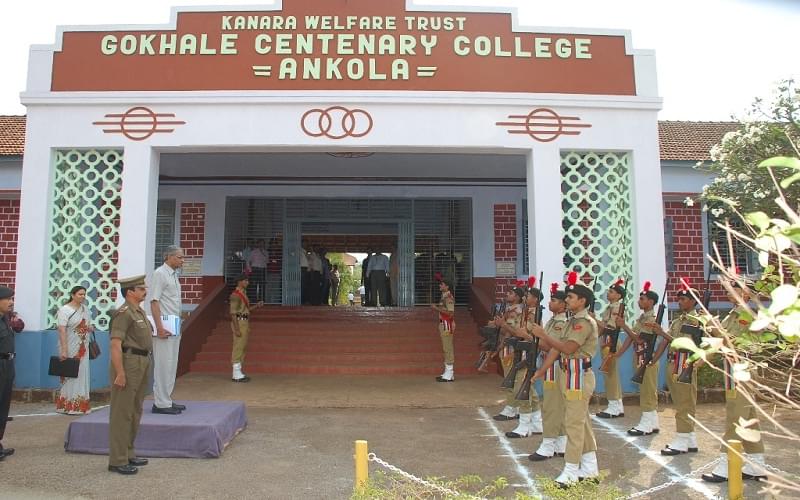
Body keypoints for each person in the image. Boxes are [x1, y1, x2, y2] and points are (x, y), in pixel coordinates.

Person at [531, 272, 599, 486]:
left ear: (582, 301)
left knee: (573, 424)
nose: (567, 300)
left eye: (570, 297)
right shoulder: (572, 321)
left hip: (578, 376)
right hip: (569, 374)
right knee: (582, 422)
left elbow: (568, 347)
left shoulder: (583, 323)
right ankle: (589, 467)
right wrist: (541, 371)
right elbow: (556, 350)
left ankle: (571, 469)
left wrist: (543, 335)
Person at [701, 281, 768, 483]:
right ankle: (757, 463)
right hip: (734, 369)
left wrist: (714, 329)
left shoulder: (746, 315)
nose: (729, 292)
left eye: (735, 288)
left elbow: (735, 343)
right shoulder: (733, 314)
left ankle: (727, 464)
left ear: (746, 293)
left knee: (735, 417)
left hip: (743, 370)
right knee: (747, 417)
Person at [108, 275, 153, 475]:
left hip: (142, 362)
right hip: (129, 362)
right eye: (141, 288)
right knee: (122, 412)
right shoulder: (123, 313)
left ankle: (128, 453)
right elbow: (115, 344)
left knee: (135, 410)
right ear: (130, 292)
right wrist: (120, 372)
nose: (145, 291)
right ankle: (117, 460)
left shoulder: (139, 312)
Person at [652, 279, 701, 456]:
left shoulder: (695, 320)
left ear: (693, 301)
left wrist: (661, 332)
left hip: (685, 363)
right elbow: (666, 342)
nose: (680, 302)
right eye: (679, 299)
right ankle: (690, 438)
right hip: (674, 363)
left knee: (685, 403)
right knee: (680, 401)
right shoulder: (678, 321)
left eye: (684, 299)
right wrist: (654, 358)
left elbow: (684, 343)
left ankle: (682, 439)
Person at [496, 278, 544, 438]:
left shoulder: (533, 314)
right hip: (522, 350)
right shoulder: (527, 312)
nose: (525, 297)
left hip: (526, 352)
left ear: (535, 300)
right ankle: (537, 422)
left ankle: (524, 425)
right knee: (529, 388)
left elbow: (521, 333)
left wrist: (503, 325)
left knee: (521, 387)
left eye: (529, 295)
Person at [615, 281, 662, 436]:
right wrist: (618, 354)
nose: (639, 301)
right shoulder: (642, 318)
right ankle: (652, 422)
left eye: (642, 299)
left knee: (648, 392)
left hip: (647, 359)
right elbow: (631, 338)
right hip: (640, 357)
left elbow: (639, 339)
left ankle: (646, 423)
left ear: (651, 302)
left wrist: (623, 326)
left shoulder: (651, 319)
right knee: (646, 390)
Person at [529, 282, 569, 461]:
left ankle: (548, 444)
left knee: (552, 406)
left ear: (563, 305)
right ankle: (560, 442)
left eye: (554, 300)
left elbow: (552, 347)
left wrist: (536, 335)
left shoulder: (561, 323)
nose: (550, 303)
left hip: (555, 366)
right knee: (556, 405)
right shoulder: (553, 320)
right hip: (551, 364)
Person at [150, 245, 185, 415]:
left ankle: (167, 399)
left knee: (172, 364)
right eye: (179, 257)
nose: (182, 260)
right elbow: (154, 302)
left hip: (175, 324)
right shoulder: (160, 274)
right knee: (163, 364)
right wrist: (159, 327)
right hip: (164, 326)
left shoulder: (174, 275)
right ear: (169, 257)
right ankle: (161, 402)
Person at [55, 285, 94, 415]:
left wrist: (90, 328)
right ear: (72, 295)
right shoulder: (64, 310)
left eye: (84, 294)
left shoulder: (86, 309)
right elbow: (61, 330)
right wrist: (64, 350)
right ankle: (68, 405)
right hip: (69, 346)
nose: (82, 297)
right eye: (80, 294)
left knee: (81, 374)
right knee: (70, 373)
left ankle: (80, 405)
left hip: (83, 346)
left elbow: (88, 324)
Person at [492, 284, 525, 421]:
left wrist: (502, 325)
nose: (507, 295)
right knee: (510, 377)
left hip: (512, 348)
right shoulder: (509, 310)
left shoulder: (517, 312)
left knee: (510, 378)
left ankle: (511, 408)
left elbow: (515, 332)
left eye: (510, 293)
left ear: (517, 297)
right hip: (506, 346)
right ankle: (515, 407)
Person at [595, 279, 626, 419]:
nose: (609, 293)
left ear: (619, 295)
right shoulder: (609, 308)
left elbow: (610, 327)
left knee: (611, 374)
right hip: (606, 341)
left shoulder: (616, 308)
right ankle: (616, 404)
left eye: (612, 292)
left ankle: (615, 405)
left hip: (611, 342)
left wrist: (594, 319)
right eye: (609, 291)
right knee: (609, 374)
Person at [230, 274, 262, 382]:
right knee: (238, 347)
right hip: (239, 322)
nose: (247, 283)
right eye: (245, 281)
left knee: (242, 346)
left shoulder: (243, 294)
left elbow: (245, 310)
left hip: (244, 321)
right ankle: (236, 372)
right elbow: (233, 313)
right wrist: (237, 329)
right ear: (239, 282)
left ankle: (238, 371)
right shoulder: (235, 295)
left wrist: (256, 306)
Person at [0, 286, 17, 461]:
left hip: (8, 364)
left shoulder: (5, 319)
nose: (11, 302)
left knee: (3, 406)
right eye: (8, 299)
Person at [430, 274, 456, 382]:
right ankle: (447, 372)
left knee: (447, 348)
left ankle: (449, 373)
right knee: (446, 347)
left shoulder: (448, 297)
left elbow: (450, 313)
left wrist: (436, 308)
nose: (440, 286)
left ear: (447, 286)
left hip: (446, 323)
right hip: (443, 322)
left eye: (442, 284)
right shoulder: (444, 296)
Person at [245, 239, 268, 303]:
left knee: (262, 285)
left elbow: (267, 261)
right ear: (257, 244)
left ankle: (262, 299)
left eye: (263, 243)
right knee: (253, 284)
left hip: (263, 269)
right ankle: (253, 299)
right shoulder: (253, 252)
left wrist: (263, 254)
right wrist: (250, 269)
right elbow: (248, 261)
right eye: (260, 243)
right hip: (255, 269)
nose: (261, 245)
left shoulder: (266, 252)